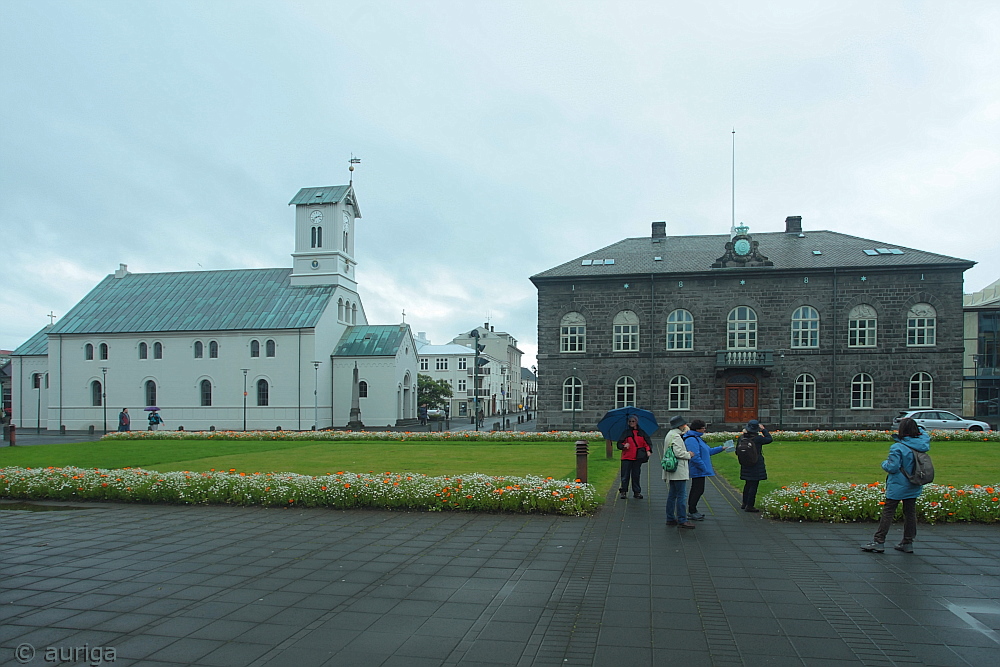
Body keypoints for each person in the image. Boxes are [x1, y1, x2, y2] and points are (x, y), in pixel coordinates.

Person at [862, 418, 930, 554]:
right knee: (910, 513)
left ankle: (879, 541)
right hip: (914, 483)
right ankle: (908, 542)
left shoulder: (898, 447)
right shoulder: (921, 443)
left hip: (898, 484)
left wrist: (883, 464)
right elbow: (924, 433)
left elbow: (892, 467)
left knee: (888, 512)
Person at [683, 419, 727, 520]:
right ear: (697, 429)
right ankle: (692, 510)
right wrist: (703, 467)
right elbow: (695, 456)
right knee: (697, 490)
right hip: (697, 469)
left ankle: (693, 510)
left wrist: (721, 448)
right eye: (703, 428)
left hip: (700, 469)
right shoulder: (692, 439)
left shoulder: (697, 438)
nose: (704, 430)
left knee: (698, 489)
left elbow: (708, 451)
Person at [662, 415, 695, 528]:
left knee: (672, 494)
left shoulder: (670, 435)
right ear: (680, 425)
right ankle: (682, 519)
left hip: (671, 469)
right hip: (678, 469)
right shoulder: (676, 436)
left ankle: (670, 517)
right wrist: (688, 455)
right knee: (681, 495)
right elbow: (678, 453)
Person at [738, 419, 772, 512]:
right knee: (754, 485)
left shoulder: (741, 438)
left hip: (745, 463)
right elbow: (769, 439)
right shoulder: (758, 438)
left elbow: (737, 451)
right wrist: (764, 430)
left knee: (747, 484)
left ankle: (744, 503)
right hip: (756, 463)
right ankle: (750, 505)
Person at [617, 415, 653, 500]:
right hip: (627, 457)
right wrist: (624, 445)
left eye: (633, 421)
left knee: (636, 475)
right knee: (625, 476)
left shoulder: (642, 433)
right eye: (630, 421)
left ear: (636, 422)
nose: (631, 423)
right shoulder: (625, 433)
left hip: (637, 457)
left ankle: (637, 492)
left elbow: (647, 443)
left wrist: (648, 450)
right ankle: (623, 491)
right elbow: (619, 444)